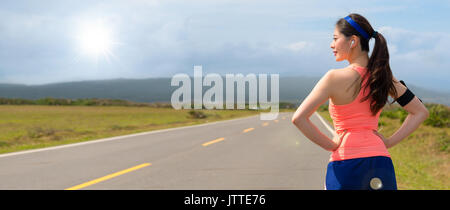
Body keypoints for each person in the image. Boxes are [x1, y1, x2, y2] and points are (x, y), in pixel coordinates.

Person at [291, 13, 429, 190]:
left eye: (335, 38)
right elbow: (420, 112)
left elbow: (299, 118)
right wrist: (388, 142)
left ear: (353, 41)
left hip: (345, 163)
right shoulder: (384, 77)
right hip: (381, 162)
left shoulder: (333, 78)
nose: (331, 45)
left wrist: (331, 145)